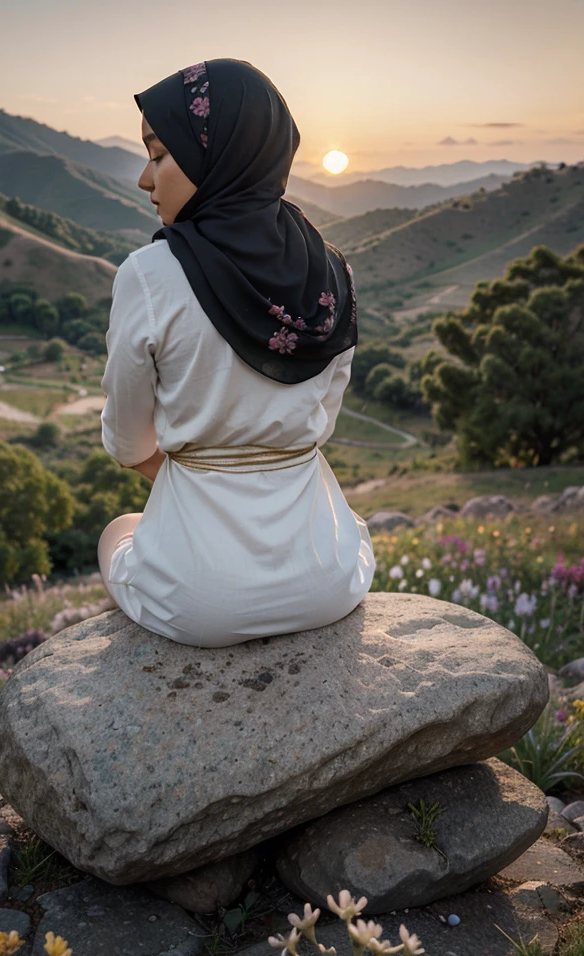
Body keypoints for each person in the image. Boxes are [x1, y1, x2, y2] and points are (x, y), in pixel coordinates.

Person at [97, 58, 376, 648]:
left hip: (202, 602)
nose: (144, 181)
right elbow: (319, 423)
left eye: (158, 155)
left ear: (212, 156)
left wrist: (199, 477)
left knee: (119, 530)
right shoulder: (333, 271)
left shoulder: (149, 275)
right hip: (329, 579)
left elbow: (126, 441)